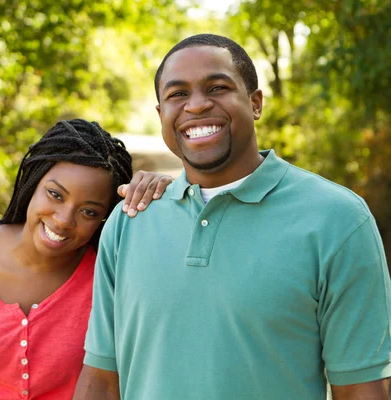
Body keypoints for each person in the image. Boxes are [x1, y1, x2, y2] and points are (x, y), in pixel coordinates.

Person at [74, 34, 391, 400]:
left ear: (255, 102)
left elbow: (361, 390)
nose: (196, 105)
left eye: (217, 87)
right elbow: (101, 379)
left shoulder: (338, 220)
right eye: (177, 94)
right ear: (161, 115)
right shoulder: (130, 221)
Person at [0, 118, 173, 400]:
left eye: (89, 212)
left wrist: (165, 201)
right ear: (33, 181)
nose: (63, 220)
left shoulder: (107, 278)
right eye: (55, 194)